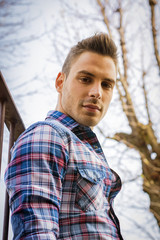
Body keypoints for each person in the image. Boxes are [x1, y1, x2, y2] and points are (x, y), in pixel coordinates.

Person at [5, 33, 124, 240]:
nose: (97, 92)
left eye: (107, 85)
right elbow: (36, 233)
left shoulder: (84, 148)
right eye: (86, 79)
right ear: (60, 82)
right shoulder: (47, 135)